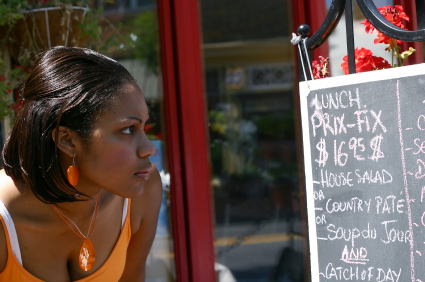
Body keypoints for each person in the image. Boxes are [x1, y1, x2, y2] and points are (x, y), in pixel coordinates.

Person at [0, 46, 162, 281]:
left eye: (143, 127)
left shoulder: (142, 191)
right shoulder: (5, 222)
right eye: (128, 129)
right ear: (68, 140)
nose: (149, 148)